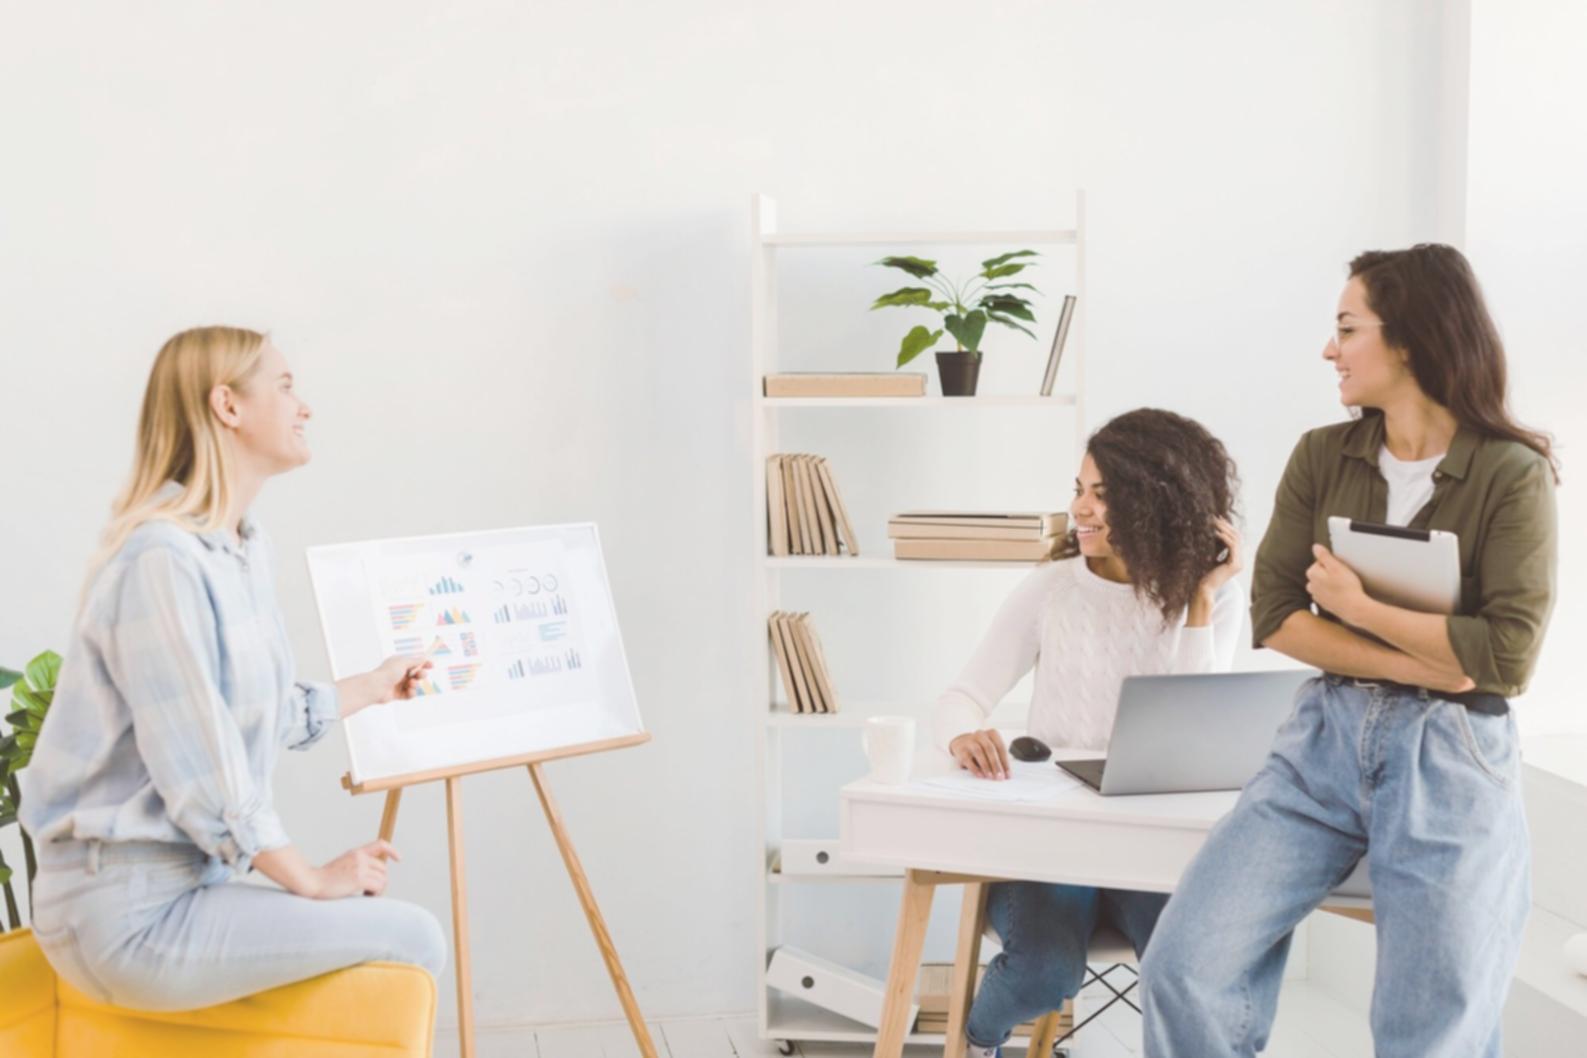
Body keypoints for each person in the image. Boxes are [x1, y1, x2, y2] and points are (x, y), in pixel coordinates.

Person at [1140, 244, 1558, 1058]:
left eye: (1346, 327)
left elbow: (1504, 658)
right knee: (1184, 967)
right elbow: (1273, 614)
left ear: (1408, 338)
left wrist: (1360, 608)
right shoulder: (1321, 456)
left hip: (1451, 755)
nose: (1328, 349)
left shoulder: (1511, 473)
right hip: (1322, 741)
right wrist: (1429, 659)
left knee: (1426, 1033)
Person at [20, 326, 447, 1011]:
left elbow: (246, 711)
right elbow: (201, 766)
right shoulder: (162, 559)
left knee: (391, 938)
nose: (304, 406)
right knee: (411, 939)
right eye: (284, 386)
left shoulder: (238, 550)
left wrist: (372, 687)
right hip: (122, 912)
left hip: (187, 886)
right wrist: (307, 878)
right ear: (227, 406)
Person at [933, 408, 1246, 1058]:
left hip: (1148, 844)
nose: (1080, 509)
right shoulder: (1051, 590)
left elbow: (1195, 724)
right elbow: (961, 697)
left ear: (1154, 503)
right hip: (1050, 844)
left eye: (1102, 496)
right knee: (1045, 975)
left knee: (1194, 968)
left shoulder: (1210, 598)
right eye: (1078, 489)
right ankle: (978, 1041)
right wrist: (964, 734)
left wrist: (1201, 600)